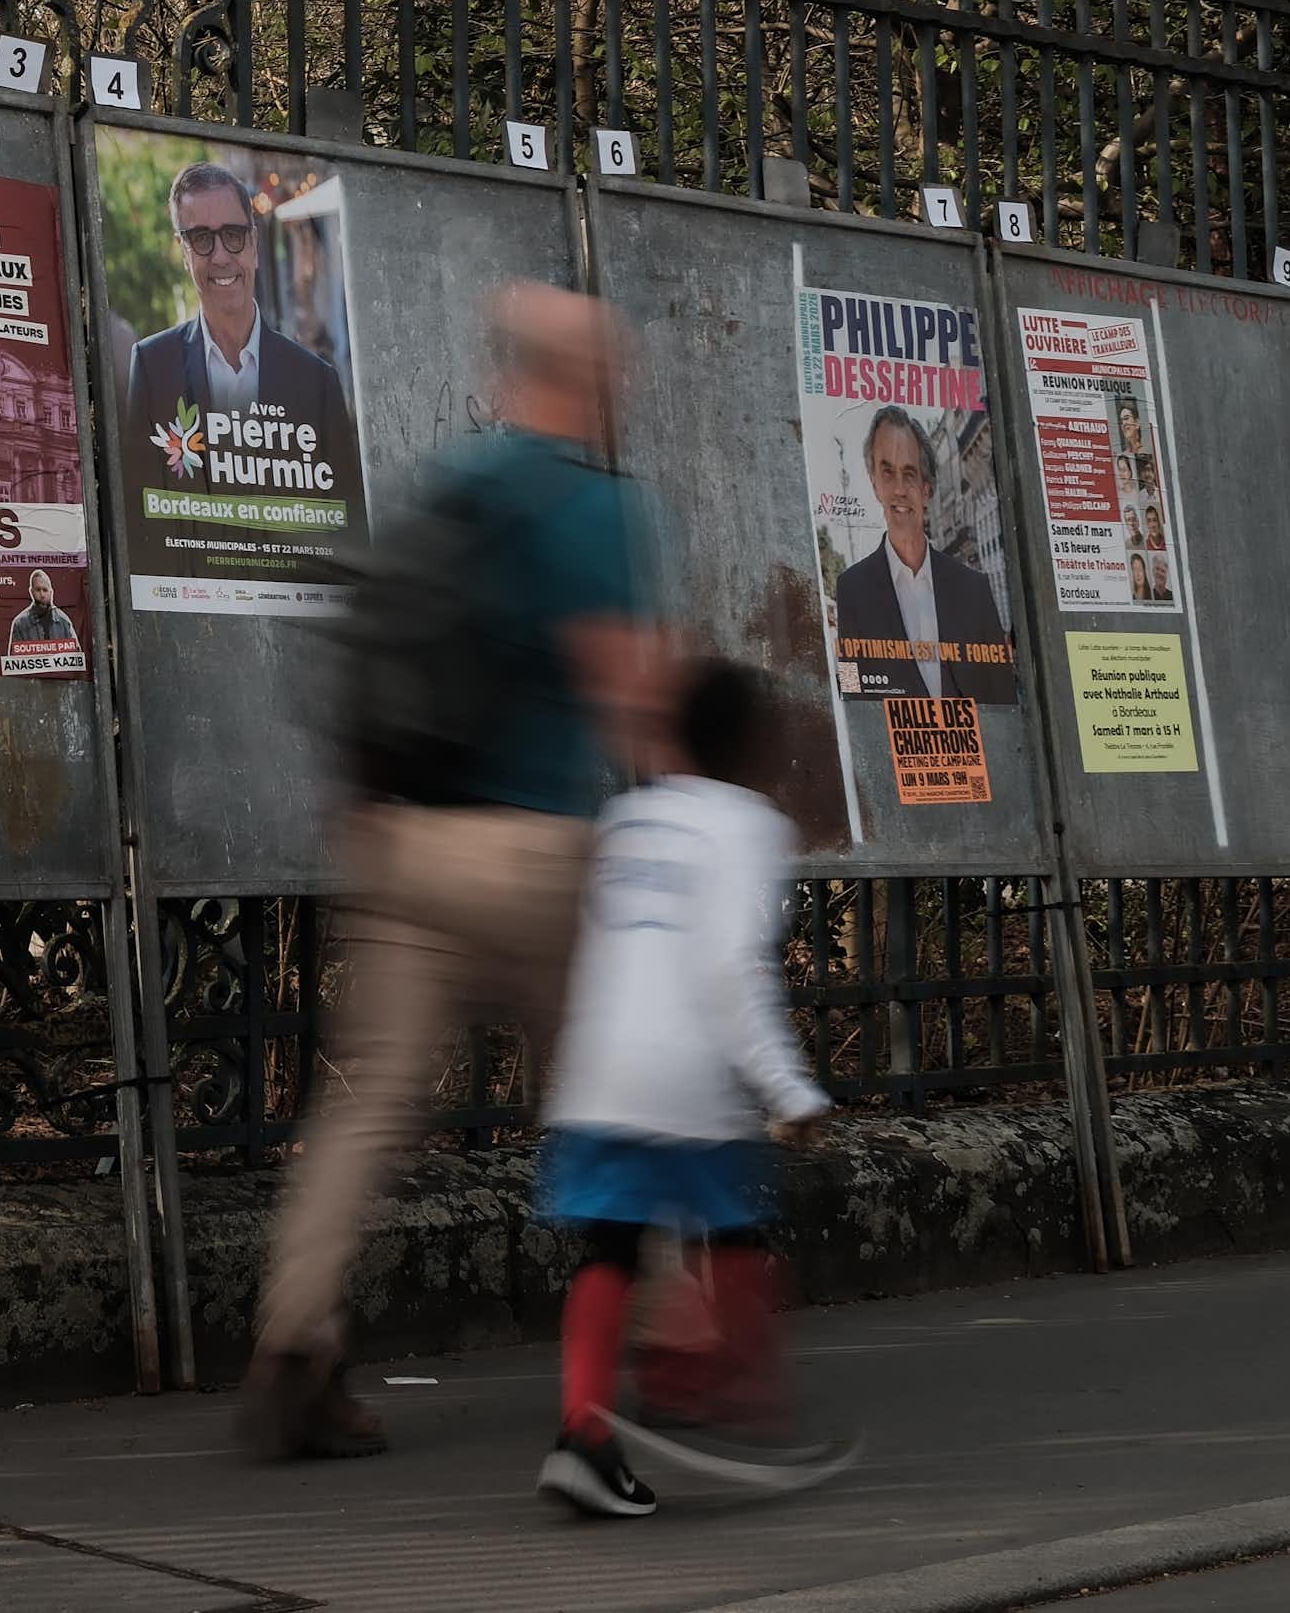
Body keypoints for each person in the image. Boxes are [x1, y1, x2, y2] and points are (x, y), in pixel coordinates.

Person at [241, 283, 672, 1463]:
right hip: (536, 852)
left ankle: (295, 1341)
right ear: (581, 379)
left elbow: (375, 655)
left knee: (369, 1101)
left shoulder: (447, 488)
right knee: (610, 1086)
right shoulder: (593, 509)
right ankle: (676, 1328)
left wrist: (369, 816)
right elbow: (625, 698)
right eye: (611, 368)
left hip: (404, 842)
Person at [535, 660, 838, 1518]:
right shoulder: (749, 826)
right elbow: (727, 967)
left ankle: (584, 1434)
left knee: (612, 1249)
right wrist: (788, 1087)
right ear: (755, 746)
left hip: (601, 1069)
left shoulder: (627, 818)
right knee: (735, 1233)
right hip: (687, 1076)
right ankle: (734, 1394)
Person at [122, 160, 363, 539]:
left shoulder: (318, 382)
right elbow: (140, 520)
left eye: (233, 234)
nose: (220, 256)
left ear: (253, 242)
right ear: (183, 250)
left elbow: (346, 528)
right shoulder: (153, 366)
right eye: (201, 238)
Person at [830, 406, 1016, 704]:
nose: (899, 490)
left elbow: (1003, 696)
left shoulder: (974, 589)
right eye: (887, 472)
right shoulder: (851, 589)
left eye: (910, 474)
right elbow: (853, 692)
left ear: (927, 490)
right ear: (875, 483)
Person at [5, 568, 78, 652]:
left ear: (51, 592)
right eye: (38, 590)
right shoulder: (20, 624)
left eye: (45, 590)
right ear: (31, 592)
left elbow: (76, 655)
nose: (42, 595)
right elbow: (15, 661)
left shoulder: (64, 621)